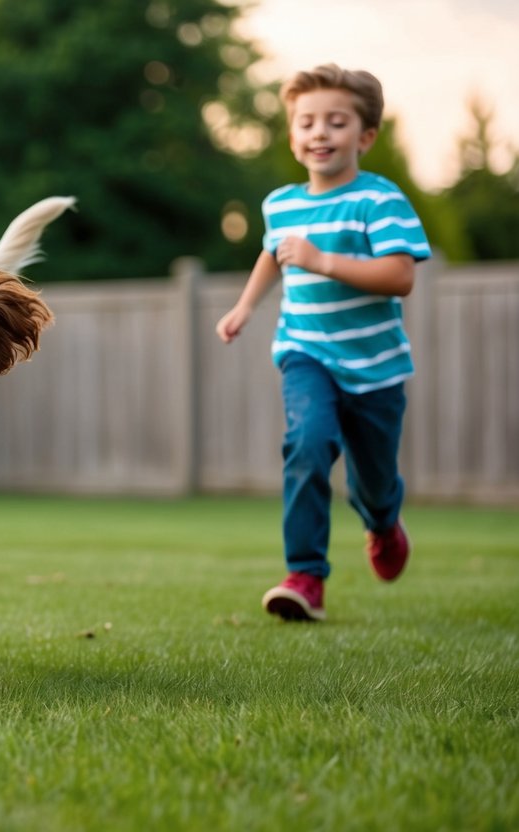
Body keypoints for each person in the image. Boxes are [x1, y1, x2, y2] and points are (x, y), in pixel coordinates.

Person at [215, 64, 431, 621]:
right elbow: (273, 253)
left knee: (372, 483)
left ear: (365, 136)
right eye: (307, 122)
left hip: (376, 368)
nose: (319, 133)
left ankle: (383, 522)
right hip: (305, 352)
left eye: (336, 122)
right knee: (307, 444)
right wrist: (245, 306)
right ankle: (305, 576)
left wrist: (322, 261)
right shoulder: (281, 203)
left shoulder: (379, 200)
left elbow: (401, 276)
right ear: (292, 135)